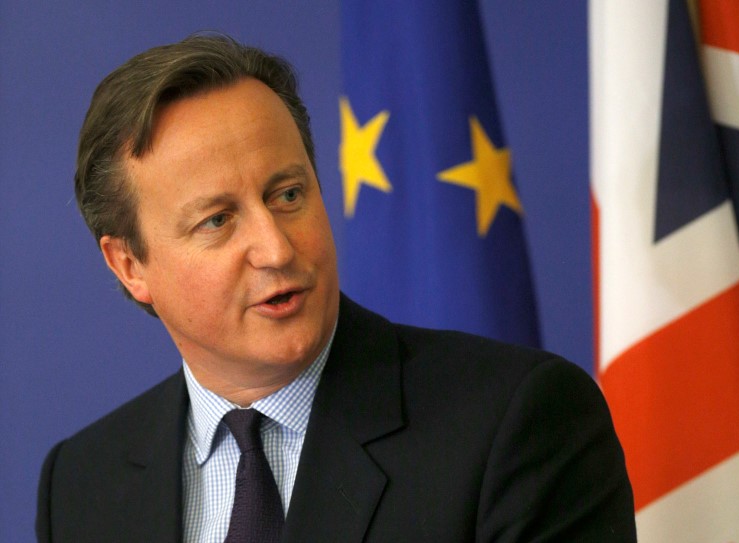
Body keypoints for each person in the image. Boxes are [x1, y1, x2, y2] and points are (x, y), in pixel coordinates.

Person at [36, 34, 636, 542]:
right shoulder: (81, 485)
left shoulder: (518, 423)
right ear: (129, 267)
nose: (277, 249)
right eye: (216, 220)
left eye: (288, 195)